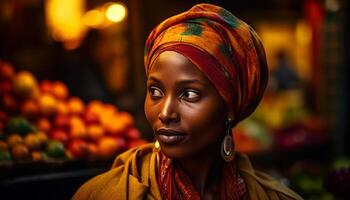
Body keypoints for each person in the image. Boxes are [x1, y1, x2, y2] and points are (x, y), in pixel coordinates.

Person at [72, 3, 303, 200]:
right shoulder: (108, 193)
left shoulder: (269, 195)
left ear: (229, 105)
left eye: (189, 94)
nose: (165, 112)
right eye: (155, 91)